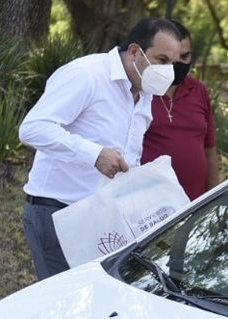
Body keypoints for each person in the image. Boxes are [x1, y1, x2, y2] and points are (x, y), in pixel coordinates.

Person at [19, 17, 183, 280]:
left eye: (173, 63)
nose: (167, 70)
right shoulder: (87, 75)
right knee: (65, 309)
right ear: (134, 51)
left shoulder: (145, 92)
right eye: (162, 60)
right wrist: (93, 154)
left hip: (103, 218)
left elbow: (130, 157)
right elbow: (33, 128)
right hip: (57, 213)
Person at [141, 20, 219, 201]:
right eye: (171, 58)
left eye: (185, 57)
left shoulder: (198, 90)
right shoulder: (141, 91)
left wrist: (215, 199)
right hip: (150, 208)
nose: (178, 64)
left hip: (194, 204)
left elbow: (210, 149)